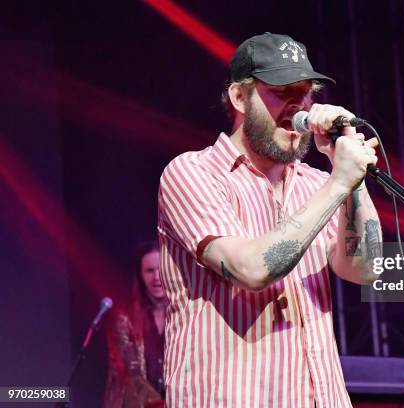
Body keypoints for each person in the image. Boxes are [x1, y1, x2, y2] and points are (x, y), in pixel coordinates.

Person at [157, 32, 382, 407]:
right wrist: (339, 182)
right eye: (282, 92)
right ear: (239, 97)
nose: (299, 108)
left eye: (306, 93)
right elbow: (252, 269)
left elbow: (366, 268)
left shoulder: (318, 184)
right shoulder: (193, 173)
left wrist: (352, 178)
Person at [104, 241, 166, 408]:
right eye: (149, 271)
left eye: (161, 269)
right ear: (140, 275)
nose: (156, 277)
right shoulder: (126, 319)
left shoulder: (184, 315)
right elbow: (131, 374)